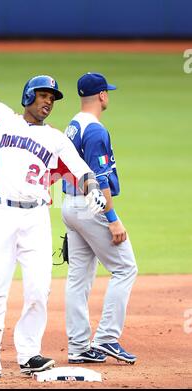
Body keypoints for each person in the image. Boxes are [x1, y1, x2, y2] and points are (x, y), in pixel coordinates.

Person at [0, 19, 106, 380]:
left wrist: (94, 192)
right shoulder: (0, 119)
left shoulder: (57, 139)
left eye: (52, 99)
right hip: (0, 215)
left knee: (38, 290)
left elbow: (82, 171)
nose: (48, 103)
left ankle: (29, 352)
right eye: (43, 96)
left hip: (35, 221)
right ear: (29, 97)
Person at [62, 72, 138, 365]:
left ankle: (79, 347)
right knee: (126, 268)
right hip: (92, 206)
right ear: (102, 96)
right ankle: (107, 338)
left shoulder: (73, 124)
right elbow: (101, 178)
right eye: (108, 92)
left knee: (78, 278)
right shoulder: (95, 130)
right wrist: (113, 218)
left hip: (71, 204)